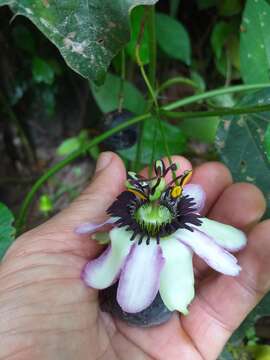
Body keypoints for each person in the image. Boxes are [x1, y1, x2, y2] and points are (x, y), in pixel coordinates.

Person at [0, 152, 268, 360]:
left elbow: (200, 217)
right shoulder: (120, 234)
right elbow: (103, 260)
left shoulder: (182, 231)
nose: (156, 198)